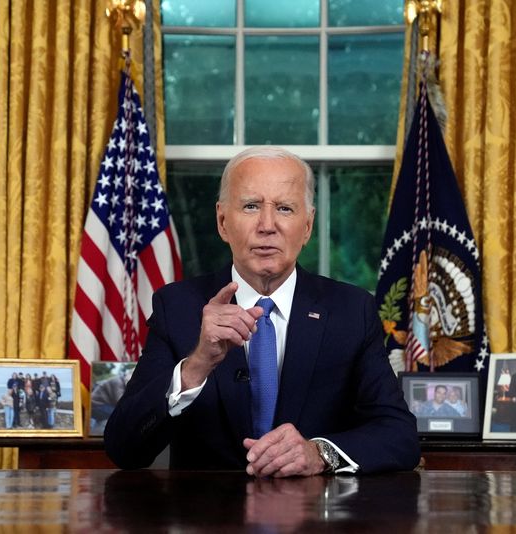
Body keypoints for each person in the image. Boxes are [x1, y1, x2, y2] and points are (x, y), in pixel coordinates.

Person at [105, 146, 421, 476]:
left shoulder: (352, 310)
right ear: (223, 221)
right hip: (207, 519)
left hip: (313, 519)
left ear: (308, 225)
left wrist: (319, 453)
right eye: (251, 206)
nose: (267, 225)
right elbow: (124, 449)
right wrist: (196, 365)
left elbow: (399, 436)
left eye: (284, 208)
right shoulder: (178, 307)